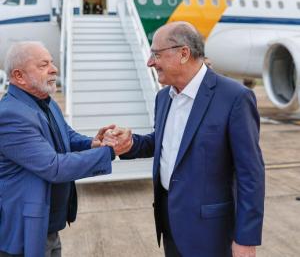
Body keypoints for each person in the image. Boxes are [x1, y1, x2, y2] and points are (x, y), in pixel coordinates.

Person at [103, 22, 265, 257]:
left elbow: (251, 174)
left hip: (212, 232)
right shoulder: (164, 97)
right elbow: (163, 142)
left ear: (183, 53)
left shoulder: (234, 98)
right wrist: (129, 143)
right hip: (170, 223)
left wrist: (246, 239)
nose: (150, 62)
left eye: (156, 54)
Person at [0, 41, 118, 257]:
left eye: (52, 63)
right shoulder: (10, 116)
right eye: (43, 65)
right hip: (24, 232)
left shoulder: (45, 101)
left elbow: (66, 135)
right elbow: (53, 167)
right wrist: (108, 152)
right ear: (19, 76)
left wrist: (93, 143)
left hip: (50, 225)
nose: (54, 69)